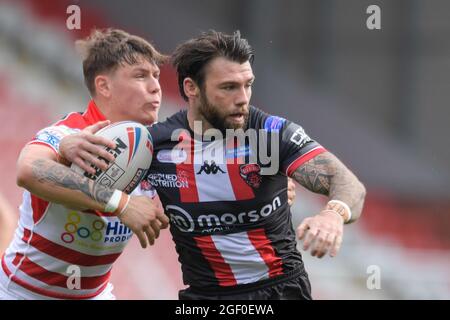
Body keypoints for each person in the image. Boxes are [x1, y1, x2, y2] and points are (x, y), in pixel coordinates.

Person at [60, 30, 366, 300]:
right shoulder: (154, 145)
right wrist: (65, 147)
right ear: (192, 88)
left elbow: (346, 182)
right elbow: (48, 177)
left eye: (248, 85)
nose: (243, 98)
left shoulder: (271, 134)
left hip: (279, 290)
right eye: (229, 87)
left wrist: (333, 214)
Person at [0, 29, 170, 300]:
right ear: (104, 86)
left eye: (156, 76)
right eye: (141, 76)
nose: (155, 87)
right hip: (24, 292)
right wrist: (121, 203)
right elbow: (28, 170)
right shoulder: (70, 135)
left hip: (95, 295)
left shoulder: (159, 146)